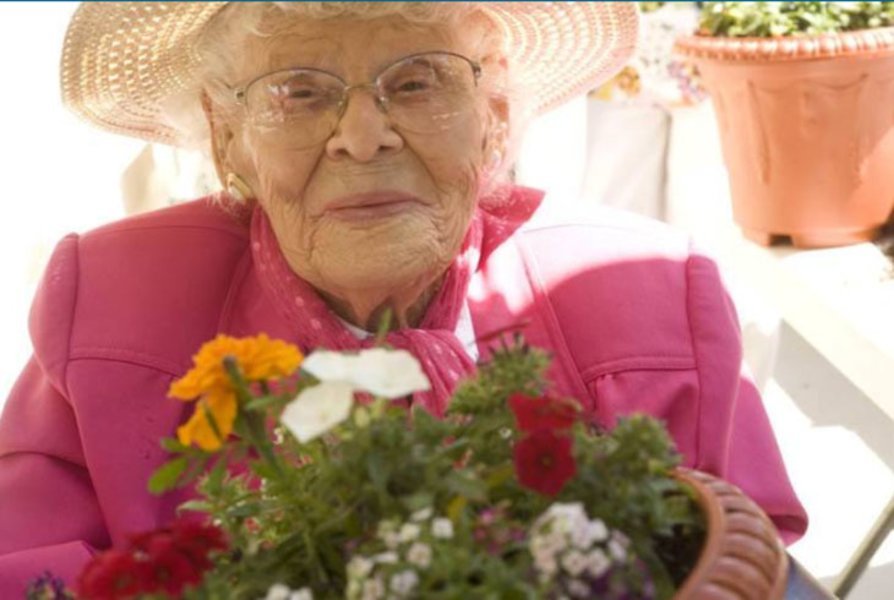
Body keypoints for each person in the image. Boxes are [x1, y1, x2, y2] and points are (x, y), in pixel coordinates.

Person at [0, 2, 808, 595]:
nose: (362, 135)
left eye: (416, 82)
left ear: (493, 114)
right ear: (227, 136)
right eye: (299, 93)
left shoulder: (655, 291)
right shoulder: (108, 298)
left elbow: (749, 564)